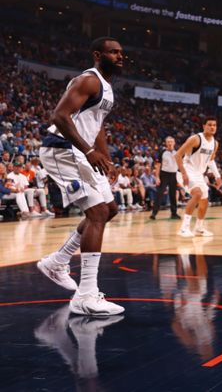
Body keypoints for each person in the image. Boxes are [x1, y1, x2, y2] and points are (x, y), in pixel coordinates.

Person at [37, 37, 125, 316]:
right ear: (98, 55)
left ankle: (57, 261)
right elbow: (59, 116)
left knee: (109, 209)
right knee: (97, 212)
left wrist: (106, 157)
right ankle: (85, 296)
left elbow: (96, 126)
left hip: (81, 152)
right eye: (113, 52)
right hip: (62, 151)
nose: (119, 56)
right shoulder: (89, 80)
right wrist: (88, 151)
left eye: (121, 52)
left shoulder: (107, 88)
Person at [175, 118, 221, 237]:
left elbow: (211, 160)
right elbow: (178, 155)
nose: (212, 127)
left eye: (214, 125)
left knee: (204, 200)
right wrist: (184, 173)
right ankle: (184, 228)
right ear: (204, 126)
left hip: (198, 174)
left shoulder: (215, 143)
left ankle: (199, 228)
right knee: (197, 194)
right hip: (185, 171)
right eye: (209, 125)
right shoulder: (195, 139)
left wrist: (218, 176)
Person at [150, 136, 180, 219]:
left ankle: (174, 213)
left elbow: (180, 165)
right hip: (164, 175)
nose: (170, 143)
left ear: (174, 143)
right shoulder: (162, 152)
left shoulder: (178, 152)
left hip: (174, 175)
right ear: (166, 143)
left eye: (171, 141)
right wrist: (157, 177)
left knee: (173, 195)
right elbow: (158, 166)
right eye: (168, 142)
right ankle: (154, 213)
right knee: (159, 194)